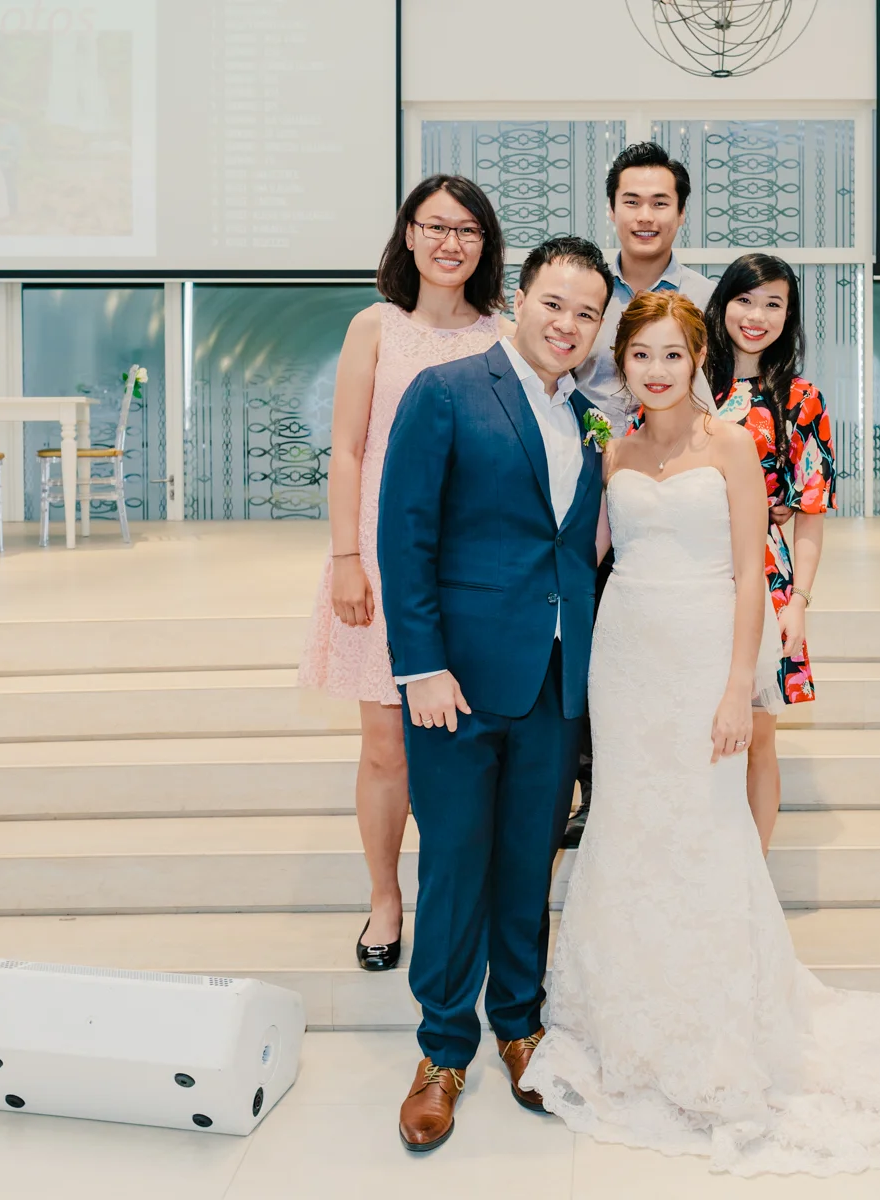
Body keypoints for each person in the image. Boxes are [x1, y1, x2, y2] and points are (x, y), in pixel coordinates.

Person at [522, 291, 880, 1178]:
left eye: (673, 355)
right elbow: (583, 558)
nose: (657, 371)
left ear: (698, 363)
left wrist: (737, 691)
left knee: (706, 828)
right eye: (641, 356)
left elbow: (752, 575)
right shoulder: (615, 450)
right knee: (628, 824)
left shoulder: (731, 446)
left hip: (705, 652)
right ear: (620, 364)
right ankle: (624, 1012)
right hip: (625, 662)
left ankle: (715, 1020)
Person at [377, 235, 614, 1153]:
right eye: (555, 304)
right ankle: (443, 1051)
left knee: (526, 864)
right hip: (459, 682)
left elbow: (575, 549)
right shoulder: (445, 392)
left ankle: (520, 1027)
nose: (568, 325)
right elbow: (406, 534)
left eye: (587, 313)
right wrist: (421, 665)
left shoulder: (590, 417)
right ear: (520, 298)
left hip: (555, 683)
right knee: (452, 866)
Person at [296, 174, 506, 974]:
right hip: (381, 562)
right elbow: (349, 449)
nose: (451, 243)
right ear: (409, 234)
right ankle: (385, 898)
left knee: (462, 750)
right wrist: (348, 560)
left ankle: (460, 901)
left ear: (485, 244)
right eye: (436, 226)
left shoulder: (503, 333)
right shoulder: (374, 326)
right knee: (386, 748)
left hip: (472, 567)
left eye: (468, 230)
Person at [561, 140, 717, 848]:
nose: (645, 215)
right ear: (612, 210)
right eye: (632, 201)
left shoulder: (707, 297)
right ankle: (594, 789)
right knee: (594, 647)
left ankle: (680, 785)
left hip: (680, 495)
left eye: (660, 202)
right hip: (594, 495)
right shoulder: (586, 294)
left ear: (681, 213)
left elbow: (735, 391)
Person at [704, 253, 833, 852]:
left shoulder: (801, 400)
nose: (756, 316)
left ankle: (751, 875)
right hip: (691, 568)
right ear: (722, 304)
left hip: (765, 573)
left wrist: (799, 601)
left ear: (789, 316)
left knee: (758, 734)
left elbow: (810, 512)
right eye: (745, 300)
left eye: (773, 304)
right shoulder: (686, 382)